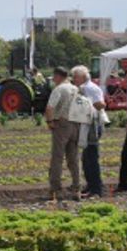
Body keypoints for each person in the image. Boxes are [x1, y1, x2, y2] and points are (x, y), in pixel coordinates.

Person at [44, 67, 81, 202]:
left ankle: (56, 190)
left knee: (57, 158)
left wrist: (49, 121)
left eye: (54, 77)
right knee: (73, 158)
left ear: (58, 76)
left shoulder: (59, 89)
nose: (53, 79)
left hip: (62, 124)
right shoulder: (75, 89)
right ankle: (76, 188)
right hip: (75, 124)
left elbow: (50, 107)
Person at [73, 65, 105, 198]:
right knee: (86, 157)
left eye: (75, 76)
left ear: (83, 77)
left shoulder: (89, 88)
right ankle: (90, 185)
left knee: (91, 157)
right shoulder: (83, 88)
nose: (74, 79)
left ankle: (96, 189)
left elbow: (101, 104)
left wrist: (87, 106)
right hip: (87, 124)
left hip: (93, 124)